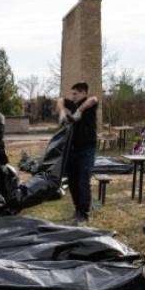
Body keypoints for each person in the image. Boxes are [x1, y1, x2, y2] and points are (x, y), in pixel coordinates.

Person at [57, 82, 99, 224]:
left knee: (83, 180)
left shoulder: (90, 104)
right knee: (73, 181)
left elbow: (94, 99)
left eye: (75, 94)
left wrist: (79, 111)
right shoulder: (72, 104)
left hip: (87, 148)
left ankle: (84, 213)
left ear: (83, 93)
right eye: (72, 94)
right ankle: (78, 210)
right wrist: (62, 111)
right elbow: (60, 100)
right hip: (73, 149)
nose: (73, 96)